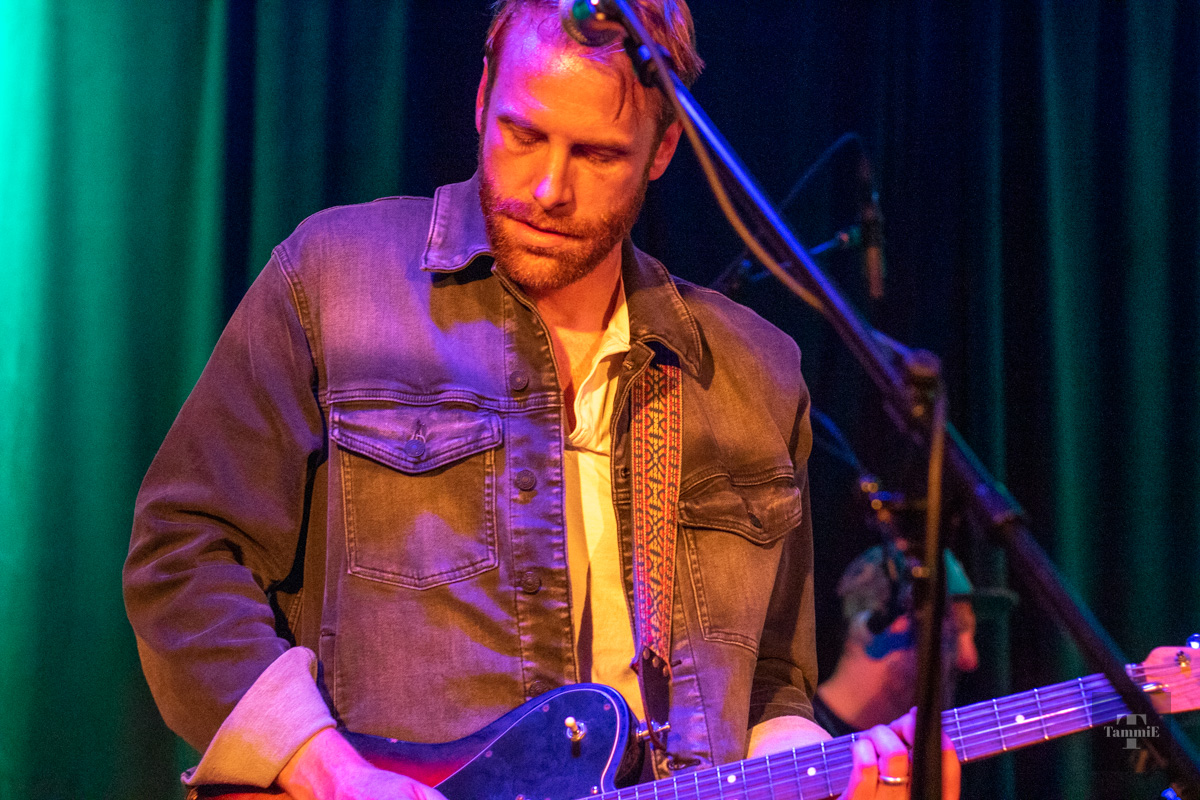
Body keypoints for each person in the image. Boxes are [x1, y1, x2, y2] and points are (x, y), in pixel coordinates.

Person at [123, 2, 960, 798]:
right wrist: (329, 772)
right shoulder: (334, 281)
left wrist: (831, 776)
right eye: (523, 134)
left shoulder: (755, 372)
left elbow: (771, 686)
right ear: (482, 97)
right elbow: (183, 556)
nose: (550, 188)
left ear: (664, 147)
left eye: (596, 155)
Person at [813, 546, 980, 738]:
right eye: (949, 637)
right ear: (891, 625)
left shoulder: (916, 743)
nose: (969, 660)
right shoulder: (795, 740)